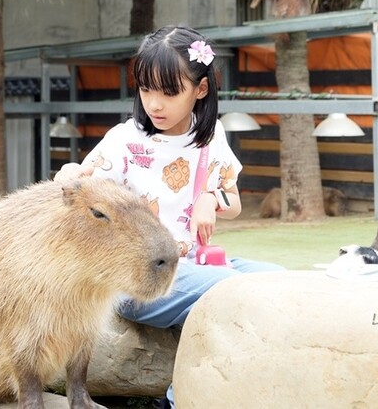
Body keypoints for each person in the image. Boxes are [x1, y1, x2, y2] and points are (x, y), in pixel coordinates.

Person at [54, 25, 283, 408]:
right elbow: (83, 185)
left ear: (201, 90)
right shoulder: (125, 140)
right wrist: (68, 173)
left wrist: (211, 197)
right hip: (139, 275)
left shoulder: (210, 138)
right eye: (146, 90)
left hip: (192, 263)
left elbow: (235, 200)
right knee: (227, 289)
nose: (154, 104)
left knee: (278, 280)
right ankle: (179, 401)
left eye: (169, 92)